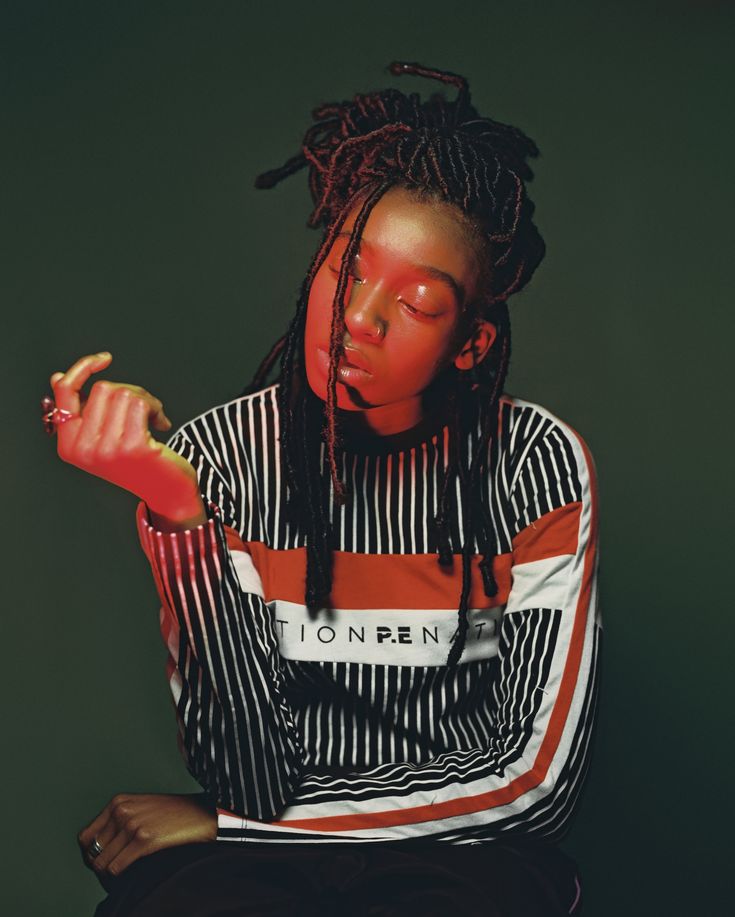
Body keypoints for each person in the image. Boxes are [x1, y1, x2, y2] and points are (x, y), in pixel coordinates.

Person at [45, 62, 601, 916]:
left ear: (470, 342)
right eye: (347, 269)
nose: (359, 318)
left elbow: (534, 784)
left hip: (462, 858)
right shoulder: (218, 456)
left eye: (416, 303)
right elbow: (248, 773)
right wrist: (177, 514)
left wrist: (231, 826)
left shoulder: (532, 463)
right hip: (264, 858)